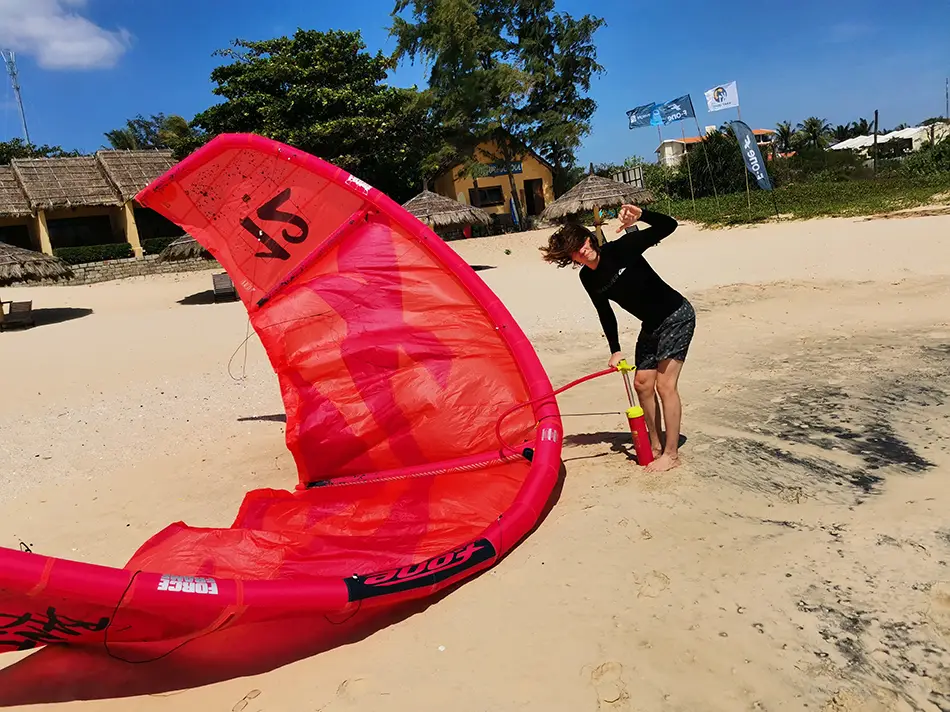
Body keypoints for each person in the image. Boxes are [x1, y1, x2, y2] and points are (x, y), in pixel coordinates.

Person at [539, 204, 695, 473]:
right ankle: (655, 446)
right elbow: (605, 312)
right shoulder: (588, 278)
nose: (582, 251)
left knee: (665, 386)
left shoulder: (622, 249)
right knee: (642, 384)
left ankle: (671, 454)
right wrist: (615, 349)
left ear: (589, 238)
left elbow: (668, 226)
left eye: (583, 243)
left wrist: (643, 215)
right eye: (575, 251)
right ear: (571, 257)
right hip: (652, 324)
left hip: (676, 315)